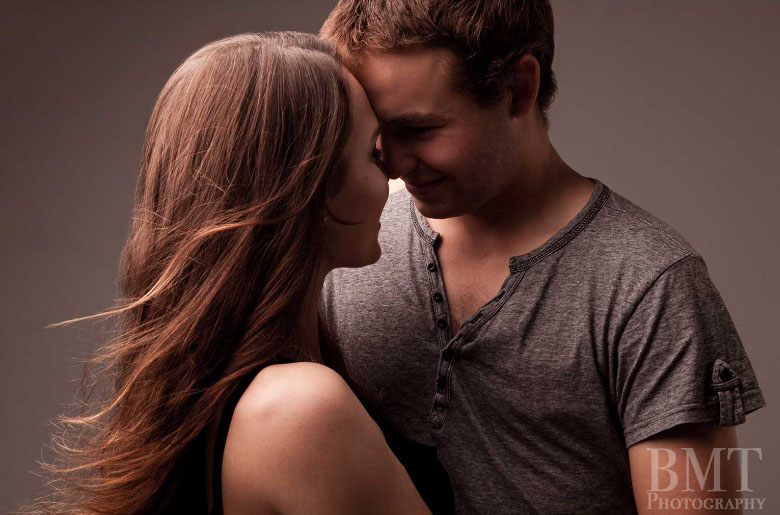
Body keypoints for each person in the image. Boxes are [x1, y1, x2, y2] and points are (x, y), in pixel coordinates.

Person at [318, 1, 766, 513]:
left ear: (518, 89)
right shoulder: (347, 237)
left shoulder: (655, 287)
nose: (394, 162)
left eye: (418, 129)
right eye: (376, 131)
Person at [26, 32, 431, 514]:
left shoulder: (207, 391)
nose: (394, 175)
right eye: (373, 153)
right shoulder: (300, 408)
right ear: (310, 188)